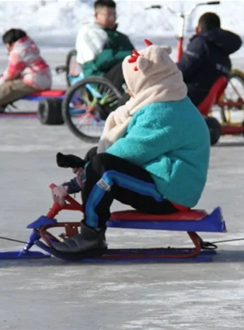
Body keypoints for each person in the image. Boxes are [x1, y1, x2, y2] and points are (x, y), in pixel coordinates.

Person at [50, 43, 211, 258]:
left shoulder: (164, 111)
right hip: (166, 179)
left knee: (104, 169)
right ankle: (91, 216)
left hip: (170, 194)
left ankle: (92, 234)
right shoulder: (168, 98)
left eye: (130, 84)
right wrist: (88, 164)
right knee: (96, 157)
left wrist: (73, 184)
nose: (128, 89)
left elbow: (128, 152)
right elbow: (119, 147)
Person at [0, 29, 51, 113]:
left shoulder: (17, 52)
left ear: (11, 43)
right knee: (13, 84)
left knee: (8, 87)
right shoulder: (29, 47)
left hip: (34, 81)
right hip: (44, 79)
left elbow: (11, 72)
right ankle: (2, 103)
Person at [177, 12, 242, 106]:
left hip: (195, 93)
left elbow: (184, 68)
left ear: (197, 29)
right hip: (209, 90)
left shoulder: (201, 43)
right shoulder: (222, 45)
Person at [75, 0, 135, 88]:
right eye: (109, 15)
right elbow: (101, 60)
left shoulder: (120, 37)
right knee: (124, 67)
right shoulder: (90, 32)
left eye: (114, 15)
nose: (112, 18)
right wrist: (128, 55)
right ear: (96, 15)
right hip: (99, 78)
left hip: (115, 76)